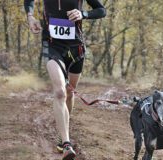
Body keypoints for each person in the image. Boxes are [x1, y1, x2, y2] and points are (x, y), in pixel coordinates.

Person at [24, 0, 106, 160]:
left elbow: (101, 10)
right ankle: (67, 143)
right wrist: (30, 17)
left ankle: (64, 135)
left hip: (76, 48)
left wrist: (83, 14)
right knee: (60, 92)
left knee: (69, 92)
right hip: (53, 46)